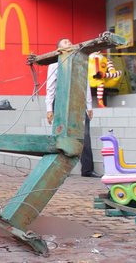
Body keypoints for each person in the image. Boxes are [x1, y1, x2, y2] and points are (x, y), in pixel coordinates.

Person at [45, 38, 97, 177]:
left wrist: (89, 106)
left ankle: (87, 170)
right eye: (65, 42)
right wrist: (49, 109)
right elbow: (50, 88)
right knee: (60, 134)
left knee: (85, 135)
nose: (69, 43)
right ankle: (60, 169)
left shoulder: (79, 63)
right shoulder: (54, 65)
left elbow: (84, 85)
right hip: (61, 102)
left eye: (69, 41)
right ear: (59, 49)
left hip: (78, 102)